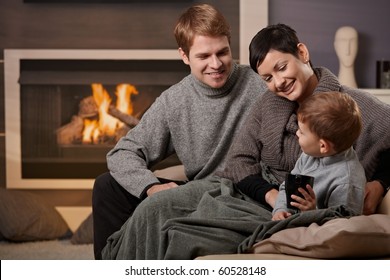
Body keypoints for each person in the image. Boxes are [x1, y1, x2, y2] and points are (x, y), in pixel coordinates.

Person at [101, 23, 390, 260]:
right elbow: (239, 161)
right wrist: (270, 195)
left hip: (280, 208)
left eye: (281, 67)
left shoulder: (349, 105)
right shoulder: (269, 102)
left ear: (302, 52)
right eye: (266, 77)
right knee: (155, 207)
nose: (277, 82)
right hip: (252, 191)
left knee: (178, 233)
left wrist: (381, 182)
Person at [92, 4, 267, 259]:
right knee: (106, 186)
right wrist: (151, 187)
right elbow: (122, 153)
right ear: (184, 56)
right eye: (203, 56)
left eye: (223, 52)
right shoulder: (174, 101)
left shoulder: (260, 84)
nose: (216, 64)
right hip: (197, 191)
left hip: (243, 191)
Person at [270, 92, 365, 220]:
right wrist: (280, 210)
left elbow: (341, 226)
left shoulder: (347, 181)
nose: (297, 133)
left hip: (320, 233)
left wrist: (311, 212)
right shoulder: (309, 155)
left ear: (323, 146)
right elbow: (286, 188)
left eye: (302, 132)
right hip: (295, 221)